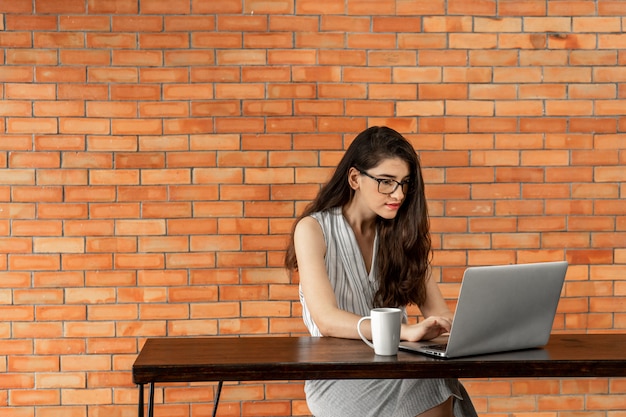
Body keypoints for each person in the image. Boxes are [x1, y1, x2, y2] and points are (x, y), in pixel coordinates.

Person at [285, 126, 477, 417]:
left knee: (436, 376)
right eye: (386, 182)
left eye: (405, 183)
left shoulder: (402, 234)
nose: (398, 194)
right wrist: (406, 333)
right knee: (435, 382)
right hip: (338, 376)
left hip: (397, 366)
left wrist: (457, 327)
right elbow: (327, 320)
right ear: (354, 178)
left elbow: (440, 314)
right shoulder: (312, 230)